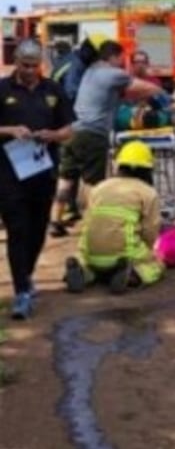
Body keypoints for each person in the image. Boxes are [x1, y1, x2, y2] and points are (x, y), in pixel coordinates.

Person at [50, 41, 163, 236]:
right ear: (114, 57)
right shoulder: (112, 73)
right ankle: (92, 226)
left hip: (72, 130)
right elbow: (146, 88)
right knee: (93, 183)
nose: (122, 63)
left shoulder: (90, 71)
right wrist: (162, 95)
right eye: (121, 59)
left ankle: (55, 221)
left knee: (65, 179)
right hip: (92, 134)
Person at [0, 40, 74, 320]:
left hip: (43, 172)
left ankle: (26, 274)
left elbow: (69, 129)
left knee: (37, 229)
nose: (30, 71)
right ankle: (21, 291)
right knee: (17, 229)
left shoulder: (52, 90)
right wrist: (9, 130)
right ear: (16, 63)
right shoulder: (3, 89)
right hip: (9, 174)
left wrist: (52, 135)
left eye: (34, 66)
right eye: (25, 65)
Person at [63, 140, 165, 293]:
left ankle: (83, 272)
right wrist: (148, 252)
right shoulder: (148, 192)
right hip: (125, 253)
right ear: (147, 170)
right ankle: (132, 275)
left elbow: (89, 220)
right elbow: (150, 230)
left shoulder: (99, 187)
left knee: (93, 266)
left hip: (91, 252)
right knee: (156, 265)